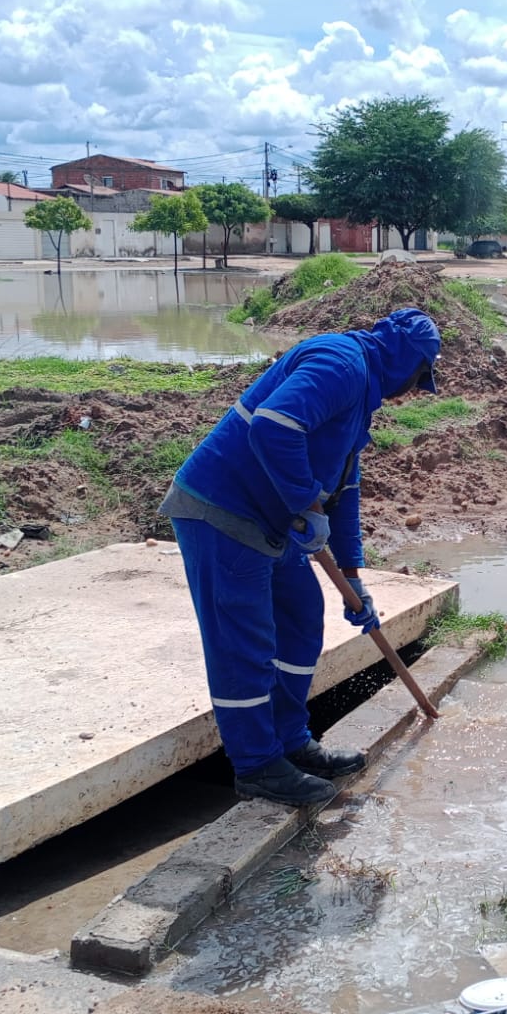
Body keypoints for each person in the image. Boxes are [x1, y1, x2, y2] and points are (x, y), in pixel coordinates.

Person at [161, 307, 441, 808]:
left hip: (271, 521)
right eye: (419, 379)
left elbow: (345, 490)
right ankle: (257, 766)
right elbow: (273, 426)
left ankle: (291, 742)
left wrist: (356, 579)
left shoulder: (360, 397)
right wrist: (304, 505)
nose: (412, 393)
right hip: (221, 512)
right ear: (406, 360)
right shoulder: (341, 363)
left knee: (302, 617)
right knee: (244, 643)